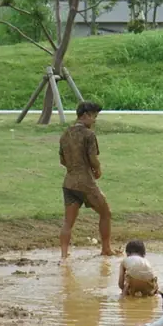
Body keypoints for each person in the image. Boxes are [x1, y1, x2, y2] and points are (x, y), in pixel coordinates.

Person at [59, 101, 113, 259]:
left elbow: (62, 160)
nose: (94, 120)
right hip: (86, 183)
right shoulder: (89, 135)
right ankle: (106, 248)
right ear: (85, 115)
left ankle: (64, 254)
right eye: (94, 116)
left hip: (69, 182)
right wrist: (97, 169)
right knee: (106, 213)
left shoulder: (65, 134)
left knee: (68, 222)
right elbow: (93, 158)